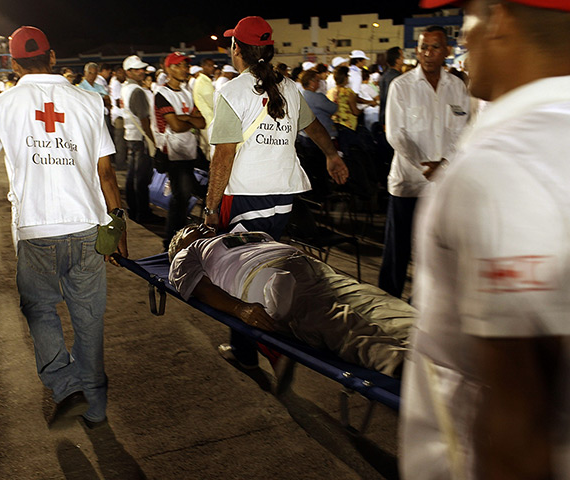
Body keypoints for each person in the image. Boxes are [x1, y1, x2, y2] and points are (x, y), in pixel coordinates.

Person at [399, 1, 570, 478]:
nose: (463, 40)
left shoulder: (505, 169)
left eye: (467, 22)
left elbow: (519, 422)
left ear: (499, 20)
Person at [0, 26, 125, 429]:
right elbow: (106, 173)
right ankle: (96, 409)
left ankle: (66, 387)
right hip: (87, 228)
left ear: (13, 64)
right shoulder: (87, 101)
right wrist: (116, 228)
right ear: (52, 58)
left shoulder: (4, 105)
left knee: (39, 309)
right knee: (89, 320)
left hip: (35, 232)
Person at [204, 15, 349, 369]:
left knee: (238, 277)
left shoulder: (233, 92)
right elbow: (313, 127)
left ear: (237, 49)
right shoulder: (288, 86)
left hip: (246, 196)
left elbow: (224, 156)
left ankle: (258, 350)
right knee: (266, 269)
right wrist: (332, 155)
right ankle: (268, 342)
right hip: (282, 196)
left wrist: (209, 208)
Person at [168, 224, 410, 378]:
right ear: (178, 244)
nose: (198, 225)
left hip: (309, 266)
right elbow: (200, 288)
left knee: (373, 302)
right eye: (187, 229)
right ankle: (404, 366)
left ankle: (426, 335)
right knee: (330, 320)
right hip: (266, 276)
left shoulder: (239, 233)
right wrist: (240, 309)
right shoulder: (187, 254)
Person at [377, 25, 469, 299]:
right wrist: (425, 165)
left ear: (447, 51)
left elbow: (464, 130)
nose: (428, 53)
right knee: (398, 249)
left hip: (444, 185)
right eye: (423, 47)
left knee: (436, 251)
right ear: (416, 51)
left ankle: (423, 303)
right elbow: (396, 134)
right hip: (408, 183)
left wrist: (445, 163)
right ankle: (387, 303)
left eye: (435, 47)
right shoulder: (402, 86)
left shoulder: (457, 87)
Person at [154, 52, 206, 249]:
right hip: (173, 153)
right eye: (181, 65)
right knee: (181, 197)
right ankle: (172, 242)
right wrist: (187, 120)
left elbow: (201, 122)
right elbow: (175, 125)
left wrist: (185, 119)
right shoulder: (161, 94)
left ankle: (180, 238)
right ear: (170, 69)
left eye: (186, 65)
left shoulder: (186, 92)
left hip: (189, 149)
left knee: (189, 194)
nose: (186, 69)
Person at [121, 55, 160, 224]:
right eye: (137, 70)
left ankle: (134, 209)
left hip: (131, 135)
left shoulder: (126, 88)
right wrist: (153, 140)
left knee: (132, 176)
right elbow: (144, 119)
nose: (141, 72)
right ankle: (142, 212)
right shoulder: (137, 91)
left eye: (142, 69)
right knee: (141, 178)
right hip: (140, 138)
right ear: (128, 72)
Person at [192, 58, 216, 160]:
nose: (212, 69)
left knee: (205, 149)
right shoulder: (203, 82)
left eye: (213, 66)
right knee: (211, 151)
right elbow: (213, 103)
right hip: (208, 119)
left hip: (205, 120)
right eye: (209, 66)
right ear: (203, 67)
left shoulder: (202, 80)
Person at [378, 46, 404, 129]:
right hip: (395, 120)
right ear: (397, 60)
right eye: (402, 56)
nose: (404, 58)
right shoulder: (398, 79)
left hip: (384, 118)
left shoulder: (383, 76)